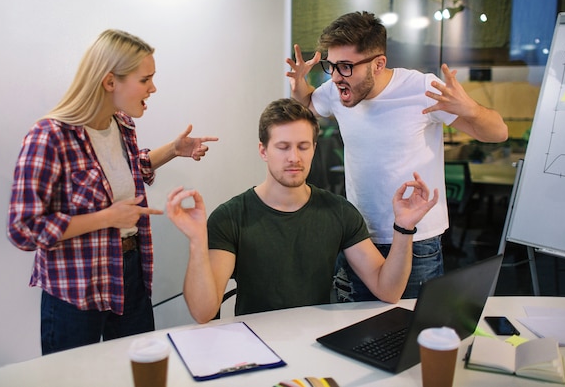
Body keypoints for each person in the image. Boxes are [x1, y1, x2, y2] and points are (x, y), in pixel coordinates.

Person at [6, 29, 218, 354]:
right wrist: (106, 218)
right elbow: (23, 229)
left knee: (136, 371)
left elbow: (130, 171)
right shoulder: (48, 136)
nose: (153, 88)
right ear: (109, 82)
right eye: (145, 79)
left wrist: (174, 150)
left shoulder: (121, 124)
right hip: (75, 289)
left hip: (130, 271)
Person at [285, 11, 508, 301]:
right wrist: (300, 86)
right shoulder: (337, 91)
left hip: (415, 239)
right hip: (358, 237)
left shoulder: (421, 89)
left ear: (378, 64)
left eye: (346, 66)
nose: (337, 76)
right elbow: (307, 108)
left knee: (406, 331)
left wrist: (471, 108)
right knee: (350, 330)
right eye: (332, 65)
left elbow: (497, 133)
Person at [165, 98, 438, 324]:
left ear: (313, 149)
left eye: (303, 147)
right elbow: (203, 312)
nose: (294, 157)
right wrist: (197, 241)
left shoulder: (339, 211)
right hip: (256, 344)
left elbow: (388, 290)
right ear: (263, 150)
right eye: (283, 147)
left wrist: (403, 228)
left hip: (316, 339)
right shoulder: (231, 217)